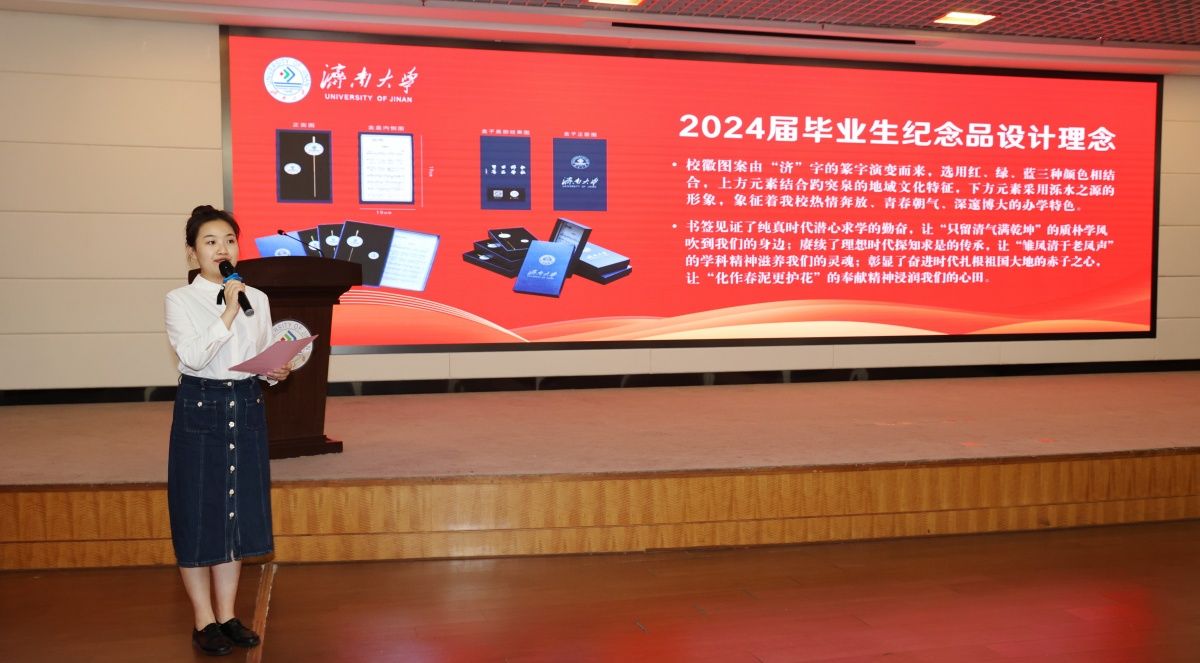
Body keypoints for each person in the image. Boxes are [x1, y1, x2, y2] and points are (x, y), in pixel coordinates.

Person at [165, 205, 290, 656]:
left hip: (246, 404)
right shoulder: (180, 301)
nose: (222, 249)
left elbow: (260, 354)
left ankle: (228, 615)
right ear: (192, 252)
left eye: (230, 240)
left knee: (234, 512)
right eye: (211, 241)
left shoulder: (258, 298)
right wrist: (229, 311)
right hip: (202, 406)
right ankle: (203, 620)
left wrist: (276, 370)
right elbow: (194, 357)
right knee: (199, 513)